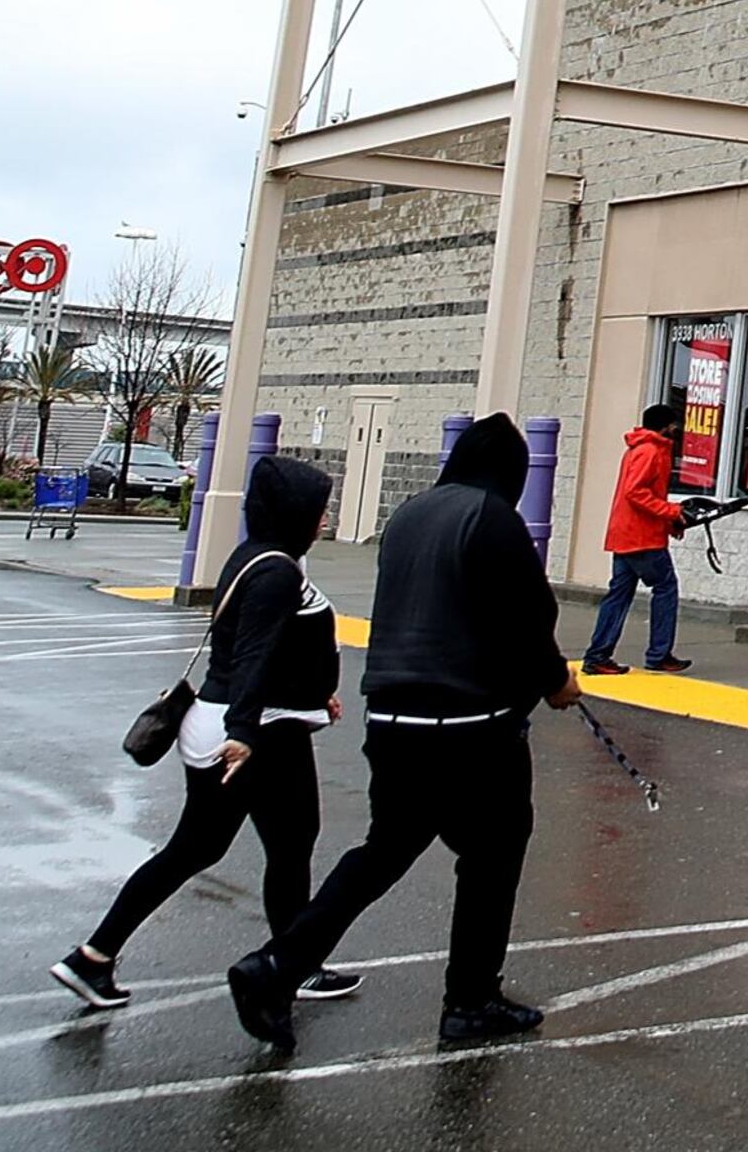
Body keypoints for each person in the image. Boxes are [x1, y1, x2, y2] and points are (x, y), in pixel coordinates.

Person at [227, 415, 576, 1052]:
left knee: (382, 852)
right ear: (511, 473)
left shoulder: (410, 515)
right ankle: (469, 998)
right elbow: (529, 615)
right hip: (470, 725)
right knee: (494, 855)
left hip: (391, 718)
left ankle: (276, 966)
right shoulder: (493, 517)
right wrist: (555, 681)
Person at [52, 456, 359, 1011]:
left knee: (257, 847)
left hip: (256, 723)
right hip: (252, 733)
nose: (323, 520)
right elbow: (253, 655)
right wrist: (244, 731)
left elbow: (276, 647)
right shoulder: (275, 572)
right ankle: (286, 963)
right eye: (317, 510)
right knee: (246, 847)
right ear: (292, 512)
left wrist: (315, 692)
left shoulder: (265, 558)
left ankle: (98, 956)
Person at [582, 399, 693, 676]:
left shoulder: (637, 449)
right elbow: (637, 492)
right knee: (665, 587)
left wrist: (669, 521)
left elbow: (638, 495)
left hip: (625, 534)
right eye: (674, 424)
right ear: (666, 426)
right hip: (642, 538)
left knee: (618, 595)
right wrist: (672, 512)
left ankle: (598, 655)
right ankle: (659, 653)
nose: (676, 430)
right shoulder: (651, 451)